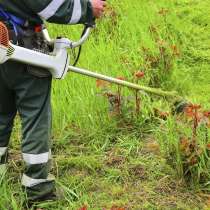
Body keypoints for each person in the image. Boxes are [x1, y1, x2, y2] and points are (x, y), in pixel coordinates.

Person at [0, 0, 106, 206]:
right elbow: (51, 5)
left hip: (3, 43)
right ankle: (38, 189)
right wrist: (88, 9)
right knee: (36, 117)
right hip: (22, 49)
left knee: (1, 115)